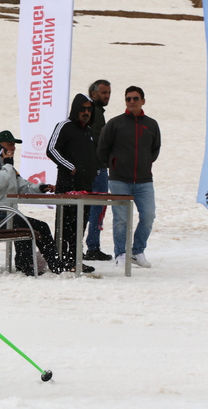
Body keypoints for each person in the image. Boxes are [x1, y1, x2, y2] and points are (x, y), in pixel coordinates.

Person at [0, 131, 68, 276]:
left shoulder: (9, 168)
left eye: (14, 145)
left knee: (34, 225)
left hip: (8, 215)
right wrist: (8, 164)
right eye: (9, 144)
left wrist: (41, 187)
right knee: (28, 225)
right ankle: (34, 266)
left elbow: (23, 186)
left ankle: (43, 265)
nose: (13, 148)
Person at [97, 85, 161, 268]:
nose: (131, 101)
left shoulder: (151, 124)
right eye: (128, 99)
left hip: (144, 181)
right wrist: (114, 165)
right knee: (121, 219)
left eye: (135, 98)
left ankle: (137, 251)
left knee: (148, 215)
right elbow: (102, 148)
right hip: (119, 180)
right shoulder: (115, 123)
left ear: (143, 101)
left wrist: (146, 162)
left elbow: (155, 149)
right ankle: (121, 253)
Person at [46, 93, 101, 273]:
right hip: (67, 187)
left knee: (80, 224)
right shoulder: (65, 126)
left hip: (85, 188)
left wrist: (95, 171)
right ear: (76, 109)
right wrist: (71, 167)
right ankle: (60, 261)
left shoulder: (89, 131)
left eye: (89, 109)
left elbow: (92, 155)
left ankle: (75, 259)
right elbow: (51, 149)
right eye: (82, 109)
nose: (86, 112)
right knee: (65, 225)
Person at [84, 79, 113, 262]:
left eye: (109, 93)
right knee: (97, 207)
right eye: (103, 93)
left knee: (91, 206)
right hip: (97, 167)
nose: (107, 96)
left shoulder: (94, 111)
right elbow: (96, 139)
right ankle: (92, 247)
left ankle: (89, 246)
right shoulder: (95, 112)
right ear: (94, 93)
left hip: (93, 167)